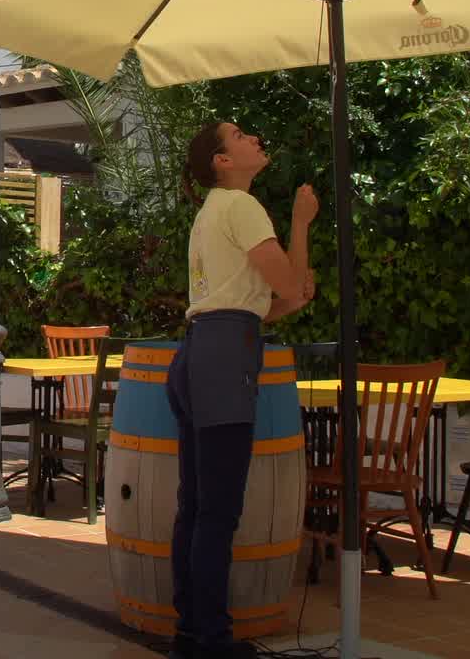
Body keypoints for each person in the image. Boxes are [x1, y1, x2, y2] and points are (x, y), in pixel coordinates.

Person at [168, 121, 318, 659]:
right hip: (226, 361)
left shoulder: (210, 213)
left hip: (198, 352)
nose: (254, 136)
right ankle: (211, 640)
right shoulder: (241, 207)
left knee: (196, 506)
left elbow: (262, 304)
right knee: (218, 511)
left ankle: (191, 631)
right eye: (238, 135)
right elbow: (289, 286)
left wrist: (293, 293)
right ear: (222, 161)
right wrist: (301, 224)